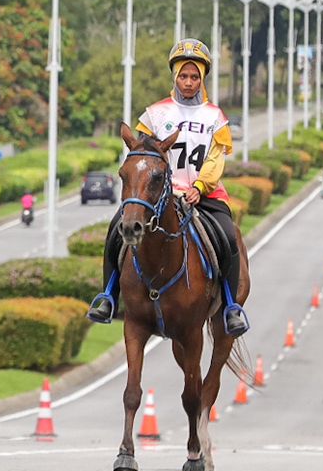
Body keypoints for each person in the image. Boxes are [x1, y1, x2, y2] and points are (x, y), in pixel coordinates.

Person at [85, 38, 249, 337]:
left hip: (204, 194)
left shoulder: (215, 117)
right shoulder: (155, 114)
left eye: (194, 76)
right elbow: (141, 152)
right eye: (183, 76)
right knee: (116, 231)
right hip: (158, 194)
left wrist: (200, 185)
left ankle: (230, 306)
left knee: (228, 235)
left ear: (202, 79)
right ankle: (108, 296)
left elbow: (214, 159)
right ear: (175, 77)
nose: (188, 83)